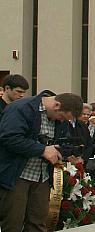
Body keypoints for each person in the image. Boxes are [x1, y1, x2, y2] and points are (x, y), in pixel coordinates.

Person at [0, 90, 83, 232]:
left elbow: (62, 142)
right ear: (57, 105)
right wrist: (42, 150)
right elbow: (9, 138)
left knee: (38, 223)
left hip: (42, 177)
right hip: (16, 175)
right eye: (62, 117)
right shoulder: (21, 108)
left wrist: (63, 151)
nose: (62, 121)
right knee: (13, 223)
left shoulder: (60, 118)